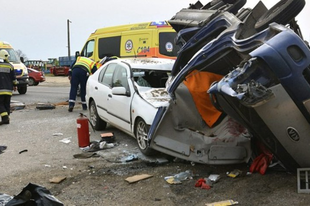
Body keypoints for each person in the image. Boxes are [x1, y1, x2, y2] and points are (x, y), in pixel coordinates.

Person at [0, 49, 17, 125]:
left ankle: (5, 118)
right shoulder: (10, 66)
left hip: (0, 89)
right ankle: (6, 119)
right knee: (7, 104)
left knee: (0, 104)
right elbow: (14, 78)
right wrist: (15, 85)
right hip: (9, 90)